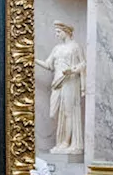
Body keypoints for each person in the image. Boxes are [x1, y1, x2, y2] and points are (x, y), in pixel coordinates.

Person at [35, 21, 86, 154]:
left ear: (66, 31)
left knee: (69, 112)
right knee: (54, 113)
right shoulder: (56, 48)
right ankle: (61, 140)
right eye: (56, 31)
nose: (56, 34)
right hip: (57, 82)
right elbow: (48, 64)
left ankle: (66, 142)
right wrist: (33, 59)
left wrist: (73, 70)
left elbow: (83, 64)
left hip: (70, 81)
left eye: (58, 31)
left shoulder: (75, 47)